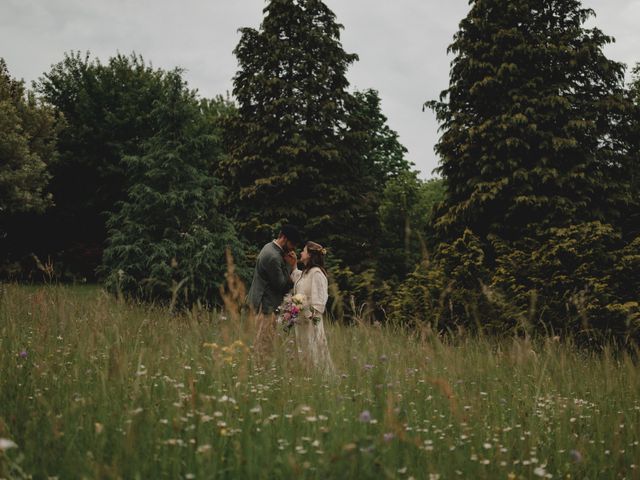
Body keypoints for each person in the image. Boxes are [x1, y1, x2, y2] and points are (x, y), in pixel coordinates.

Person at [247, 224, 302, 355]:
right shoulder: (273, 256)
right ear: (283, 237)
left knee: (263, 341)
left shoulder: (269, 247)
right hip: (267, 305)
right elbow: (280, 284)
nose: (293, 247)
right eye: (292, 243)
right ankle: (260, 371)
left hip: (265, 302)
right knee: (264, 344)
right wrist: (291, 266)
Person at [289, 241, 335, 374]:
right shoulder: (306, 273)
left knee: (315, 354)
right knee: (303, 354)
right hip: (301, 323)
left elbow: (319, 303)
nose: (301, 253)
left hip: (311, 323)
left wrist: (306, 312)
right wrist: (293, 265)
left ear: (309, 255)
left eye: (303, 251)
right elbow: (299, 283)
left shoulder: (317, 274)